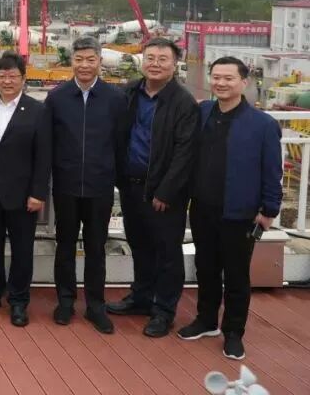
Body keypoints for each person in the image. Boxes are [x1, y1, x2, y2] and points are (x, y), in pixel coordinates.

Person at [178, 56, 281, 361]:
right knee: (206, 268)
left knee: (236, 275)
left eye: (228, 78)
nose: (221, 83)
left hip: (240, 212)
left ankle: (233, 333)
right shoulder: (203, 112)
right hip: (202, 207)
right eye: (216, 77)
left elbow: (272, 170)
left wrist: (269, 210)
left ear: (243, 82)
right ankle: (206, 320)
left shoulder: (263, 124)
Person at [108, 37, 199, 338]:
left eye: (163, 59)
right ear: (142, 60)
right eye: (150, 58)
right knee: (140, 245)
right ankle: (141, 297)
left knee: (167, 253)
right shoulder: (130, 92)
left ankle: (164, 311)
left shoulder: (183, 102)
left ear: (175, 64)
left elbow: (185, 152)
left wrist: (166, 191)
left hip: (163, 194)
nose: (155, 64)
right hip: (131, 186)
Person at [45, 37, 125, 334]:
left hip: (100, 187)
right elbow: (48, 142)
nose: (85, 65)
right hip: (65, 186)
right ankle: (65, 302)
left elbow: (121, 142)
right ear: (72, 62)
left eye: (91, 59)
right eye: (79, 59)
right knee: (64, 246)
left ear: (100, 61)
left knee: (96, 248)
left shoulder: (115, 98)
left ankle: (95, 306)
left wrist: (114, 177)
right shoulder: (57, 97)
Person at [0, 52, 51, 327]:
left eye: (12, 76)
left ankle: (18, 300)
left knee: (22, 250)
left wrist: (38, 193)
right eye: (1, 76)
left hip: (23, 195)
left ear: (23, 79)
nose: (7, 81)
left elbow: (43, 156)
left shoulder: (38, 110)